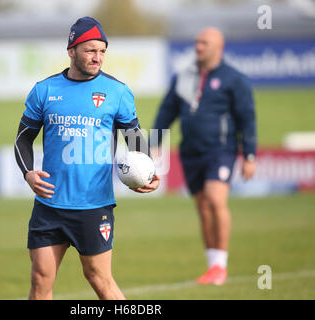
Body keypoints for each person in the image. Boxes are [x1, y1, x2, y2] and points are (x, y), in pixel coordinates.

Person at [14, 17, 160, 300]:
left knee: (99, 278)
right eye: (90, 50)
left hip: (93, 205)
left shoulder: (117, 92)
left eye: (102, 51)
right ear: (71, 50)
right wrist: (28, 173)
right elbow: (23, 138)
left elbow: (135, 141)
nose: (98, 57)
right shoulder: (45, 90)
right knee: (40, 279)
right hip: (49, 204)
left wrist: (148, 172)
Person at [151, 28, 257, 285]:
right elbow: (167, 111)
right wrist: (154, 143)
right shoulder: (183, 77)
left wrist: (250, 154)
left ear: (218, 47)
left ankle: (221, 266)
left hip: (221, 150)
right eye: (197, 42)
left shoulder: (234, 79)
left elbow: (247, 118)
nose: (199, 47)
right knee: (202, 208)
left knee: (215, 198)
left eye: (204, 43)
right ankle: (213, 268)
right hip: (190, 151)